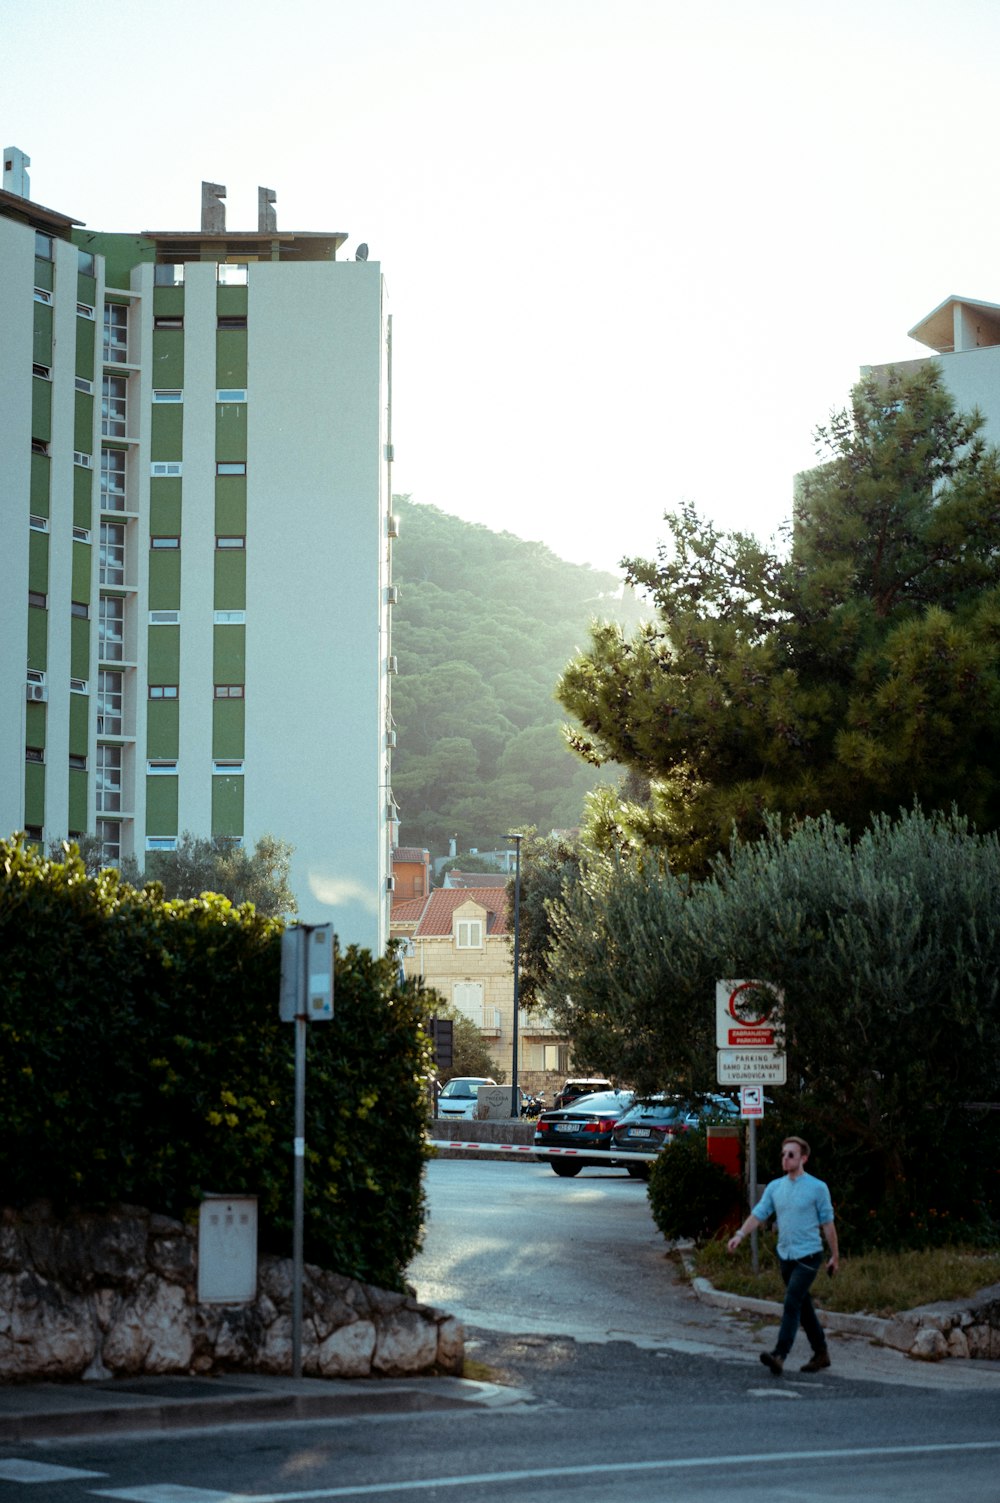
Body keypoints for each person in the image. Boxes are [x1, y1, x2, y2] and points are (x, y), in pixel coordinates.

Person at [727, 1135, 839, 1375]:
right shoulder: (775, 1187)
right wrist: (739, 1235)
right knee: (803, 1306)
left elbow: (828, 1224)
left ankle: (779, 1354)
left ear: (803, 1159)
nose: (785, 1159)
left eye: (791, 1155)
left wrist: (835, 1256)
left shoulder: (817, 1188)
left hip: (809, 1255)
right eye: (783, 1154)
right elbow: (758, 1214)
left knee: (791, 1302)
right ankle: (821, 1352)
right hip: (785, 1256)